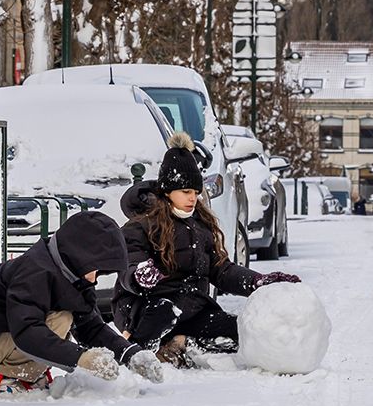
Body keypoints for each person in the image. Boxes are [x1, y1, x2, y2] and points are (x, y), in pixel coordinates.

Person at [113, 132, 300, 367]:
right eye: (186, 192)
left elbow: (221, 270)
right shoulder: (140, 226)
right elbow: (128, 266)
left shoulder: (200, 225)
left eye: (195, 192)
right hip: (146, 309)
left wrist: (259, 282)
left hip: (192, 309)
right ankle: (141, 353)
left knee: (238, 332)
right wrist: (139, 275)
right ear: (167, 191)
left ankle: (181, 344)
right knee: (165, 310)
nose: (193, 198)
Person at [0, 210, 164, 394]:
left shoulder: (68, 274)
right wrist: (82, 359)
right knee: (61, 319)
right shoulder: (34, 273)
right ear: (79, 255)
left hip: (1, 341)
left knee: (64, 317)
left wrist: (130, 353)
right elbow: (27, 331)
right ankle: (4, 376)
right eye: (95, 268)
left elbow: (90, 327)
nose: (95, 278)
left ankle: (21, 372)